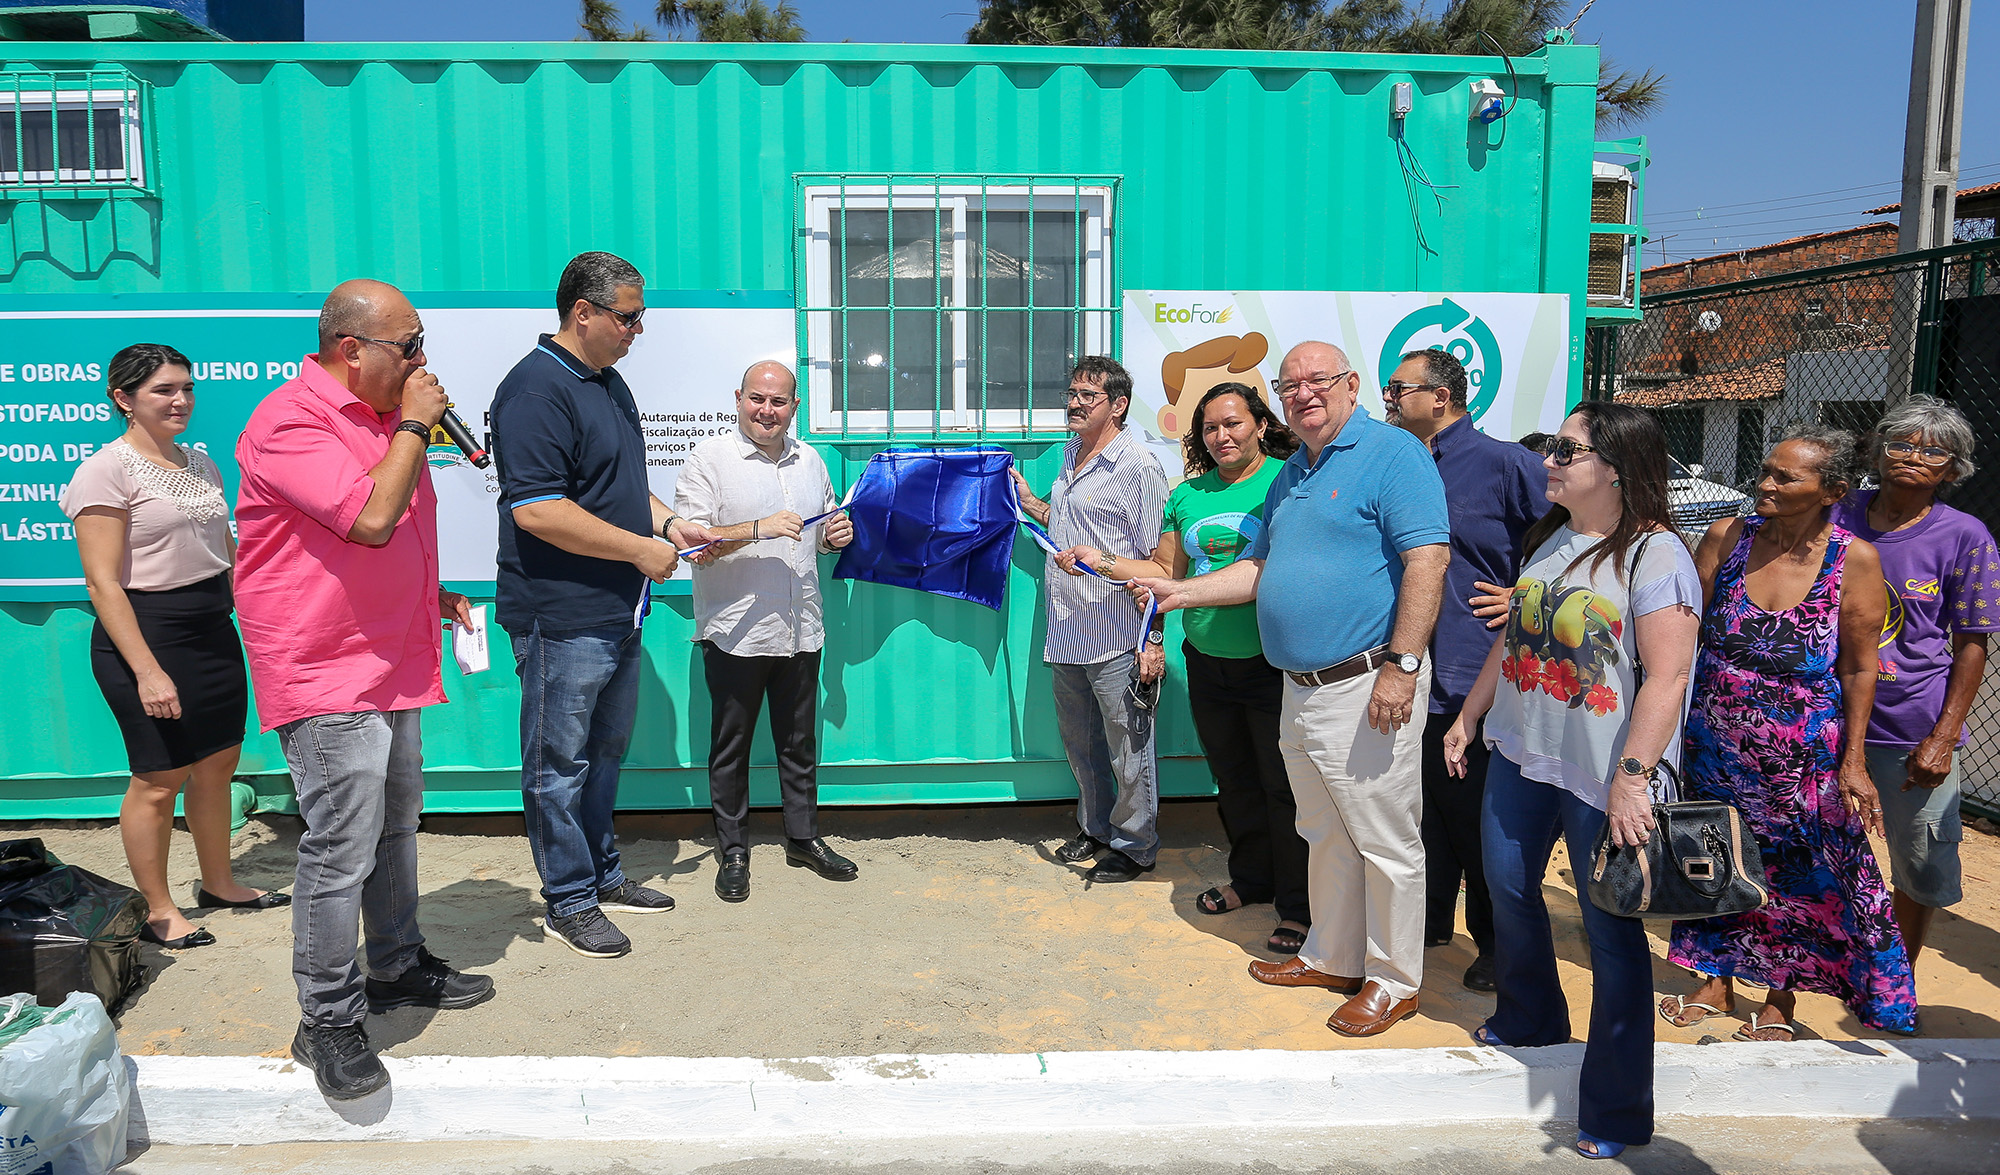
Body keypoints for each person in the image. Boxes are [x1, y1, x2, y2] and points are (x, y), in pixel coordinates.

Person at [1134, 341, 1450, 1037]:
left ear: (1352, 385)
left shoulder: (1393, 453)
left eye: (1318, 380)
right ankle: (1332, 956)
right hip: (1299, 688)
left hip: (1368, 681)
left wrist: (1402, 666)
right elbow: (1257, 568)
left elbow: (1428, 559)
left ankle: (1394, 981)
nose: (1304, 393)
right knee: (1324, 832)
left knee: (1385, 841)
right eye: (1290, 385)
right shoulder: (1296, 471)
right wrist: (1179, 592)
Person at [235, 280, 494, 1101]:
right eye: (408, 346)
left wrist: (431, 591)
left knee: (395, 824)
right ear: (352, 349)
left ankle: (395, 963)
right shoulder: (290, 422)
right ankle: (326, 1019)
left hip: (391, 656)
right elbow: (370, 520)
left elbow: (382, 541)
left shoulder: (384, 420)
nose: (422, 361)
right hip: (324, 664)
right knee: (341, 843)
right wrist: (416, 424)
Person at [1442, 402, 1701, 1160]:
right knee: (1507, 886)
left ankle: (1617, 1108)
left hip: (1603, 774)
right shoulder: (1552, 536)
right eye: (1550, 446)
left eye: (1566, 449)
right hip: (1523, 753)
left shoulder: (1656, 556)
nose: (1548, 459)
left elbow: (1668, 677)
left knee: (1610, 931)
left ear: (1617, 468)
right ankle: (1531, 1018)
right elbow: (1515, 638)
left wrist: (1633, 779)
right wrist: (1470, 715)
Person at [492, 251, 714, 960]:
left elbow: (618, 487)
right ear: (582, 312)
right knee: (557, 764)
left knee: (603, 755)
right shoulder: (534, 390)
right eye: (628, 316)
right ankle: (569, 899)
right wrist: (639, 550)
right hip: (561, 614)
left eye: (640, 316)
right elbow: (537, 510)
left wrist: (669, 525)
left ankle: (602, 875)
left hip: (617, 610)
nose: (637, 329)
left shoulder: (608, 382)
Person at [1662, 428, 1914, 1039]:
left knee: (1800, 872)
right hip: (1714, 743)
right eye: (1766, 470)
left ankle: (1782, 996)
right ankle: (1714, 977)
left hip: (1801, 754)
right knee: (1713, 856)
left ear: (1832, 491)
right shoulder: (1727, 537)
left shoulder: (1853, 560)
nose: (1765, 484)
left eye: (1785, 477)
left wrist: (1853, 761)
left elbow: (1859, 666)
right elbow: (1680, 630)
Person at [1061, 381, 1307, 950]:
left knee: (1283, 786)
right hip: (1207, 661)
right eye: (1210, 428)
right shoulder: (1188, 493)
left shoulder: (1288, 481)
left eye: (1233, 424)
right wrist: (1101, 560)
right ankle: (1252, 879)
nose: (1221, 437)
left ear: (1261, 425)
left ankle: (1298, 906)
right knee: (1234, 780)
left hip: (1272, 662)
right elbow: (1162, 571)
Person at [61, 343, 283, 952]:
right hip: (147, 636)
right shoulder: (104, 471)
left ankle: (219, 883)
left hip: (212, 631)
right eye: (163, 390)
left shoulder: (201, 463)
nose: (181, 400)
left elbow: (226, 554)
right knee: (158, 780)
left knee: (216, 765)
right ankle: (159, 911)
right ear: (123, 398)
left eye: (187, 387)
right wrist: (148, 672)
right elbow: (102, 583)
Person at [1383, 347, 1545, 992]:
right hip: (1400, 670)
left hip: (1473, 673)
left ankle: (1496, 944)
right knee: (1420, 811)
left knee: (1476, 818)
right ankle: (1426, 924)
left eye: (1399, 388)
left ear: (1441, 397)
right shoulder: (1393, 463)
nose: (1389, 398)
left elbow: (1576, 539)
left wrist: (1528, 595)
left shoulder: (1505, 463)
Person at [674, 359, 857, 902]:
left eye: (778, 402)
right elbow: (693, 545)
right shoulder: (710, 459)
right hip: (736, 632)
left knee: (798, 743)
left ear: (794, 407)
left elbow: (818, 530)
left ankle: (803, 838)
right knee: (731, 747)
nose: (767, 410)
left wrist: (834, 537)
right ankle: (733, 851)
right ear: (738, 398)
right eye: (757, 398)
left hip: (801, 627)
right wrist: (758, 529)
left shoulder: (811, 461)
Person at [1831, 397, 2000, 973]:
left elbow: (1972, 642)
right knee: (1810, 851)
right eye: (1901, 444)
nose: (1912, 457)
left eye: (1933, 452)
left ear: (1953, 469)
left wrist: (1944, 736)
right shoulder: (1834, 513)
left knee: (1921, 862)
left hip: (1910, 727)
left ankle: (1894, 980)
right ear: (1878, 451)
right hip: (1821, 712)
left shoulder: (1965, 536)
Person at [1014, 357, 1169, 884]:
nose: (1075, 404)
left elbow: (1159, 565)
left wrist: (1152, 639)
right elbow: (1067, 524)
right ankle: (1097, 829)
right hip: (1067, 632)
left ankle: (1135, 846)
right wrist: (1031, 502)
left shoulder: (1138, 466)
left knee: (1129, 750)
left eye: (1088, 396)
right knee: (1081, 747)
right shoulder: (1070, 453)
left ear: (1118, 405)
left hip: (1118, 634)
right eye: (1072, 393)